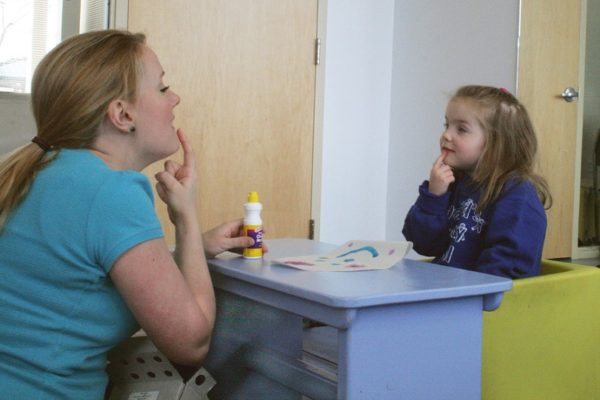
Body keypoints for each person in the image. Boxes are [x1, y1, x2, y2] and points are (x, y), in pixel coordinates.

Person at [0, 30, 257, 399]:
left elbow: (82, 278)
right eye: (163, 88)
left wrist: (196, 248)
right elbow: (191, 341)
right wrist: (186, 219)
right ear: (122, 114)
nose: (175, 99)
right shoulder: (112, 192)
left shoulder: (41, 172)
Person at [402, 85, 551, 279]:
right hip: (448, 291)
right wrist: (434, 196)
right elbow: (424, 245)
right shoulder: (454, 184)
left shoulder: (518, 195)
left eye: (462, 129)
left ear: (497, 142)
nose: (446, 135)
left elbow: (507, 265)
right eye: (447, 125)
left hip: (479, 300)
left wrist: (470, 296)